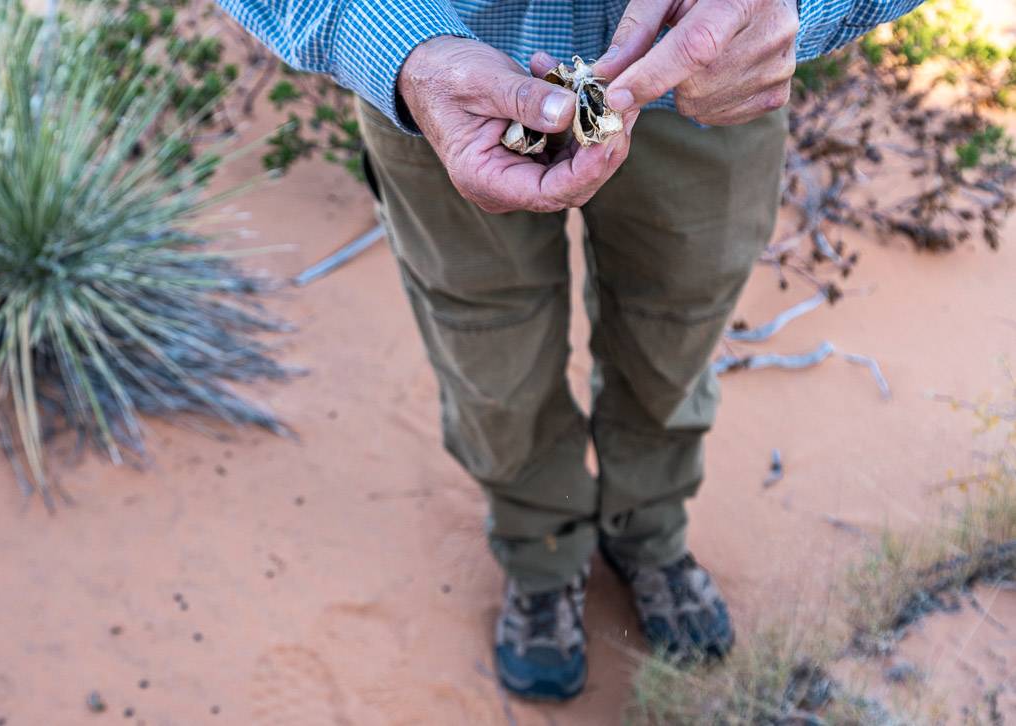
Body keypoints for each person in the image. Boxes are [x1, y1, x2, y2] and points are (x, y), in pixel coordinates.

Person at [218, 0, 925, 702]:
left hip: (703, 84)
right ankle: (542, 550)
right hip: (436, 70)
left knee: (677, 336)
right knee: (489, 359)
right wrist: (383, 40)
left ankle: (648, 533)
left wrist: (798, 8)